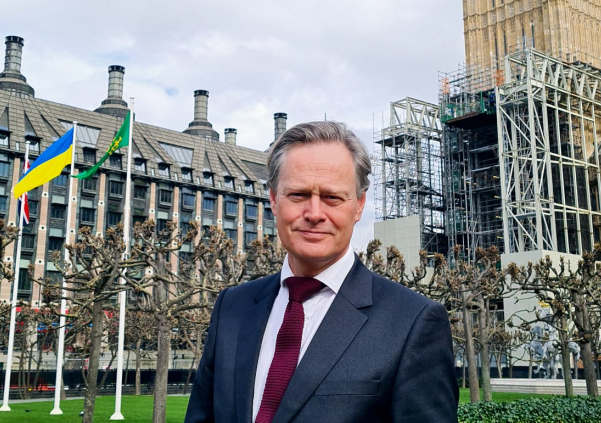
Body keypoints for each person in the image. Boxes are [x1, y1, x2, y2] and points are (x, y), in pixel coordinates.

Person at [185, 121, 458, 423]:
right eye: (298, 194)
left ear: (358, 206)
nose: (314, 214)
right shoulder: (232, 307)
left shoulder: (413, 322)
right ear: (274, 200)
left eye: (332, 197)